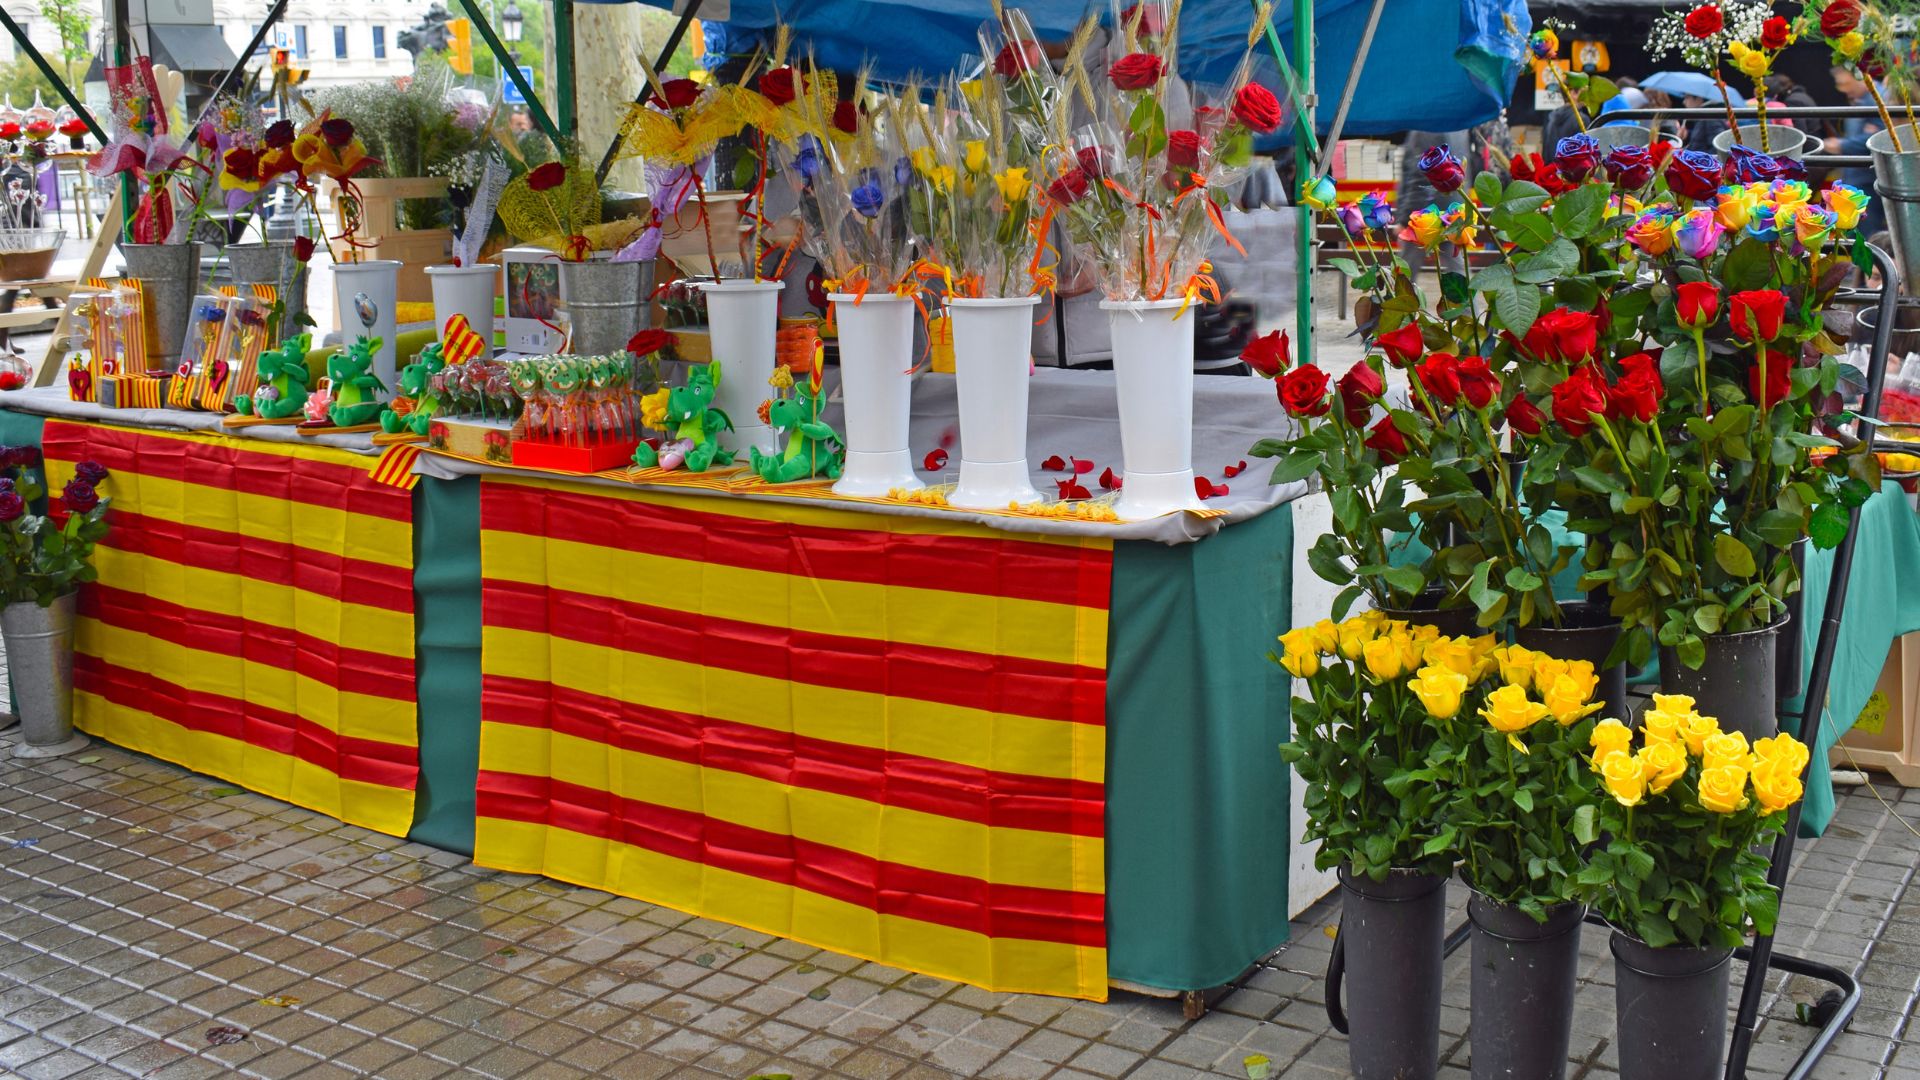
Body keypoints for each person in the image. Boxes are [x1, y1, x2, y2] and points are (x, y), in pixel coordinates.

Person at [1825, 66, 1887, 237]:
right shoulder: (1863, 99)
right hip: (1857, 177)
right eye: (1839, 85)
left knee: (1866, 234)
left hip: (1866, 178)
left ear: (1861, 77)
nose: (1843, 89)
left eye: (1845, 83)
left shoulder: (1876, 98)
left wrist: (1844, 145)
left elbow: (1880, 136)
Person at [1397, 130, 1469, 274]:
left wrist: (1405, 219)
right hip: (1454, 210)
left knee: (1406, 273)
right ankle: (1466, 296)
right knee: (1457, 268)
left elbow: (1418, 177)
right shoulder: (1461, 127)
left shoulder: (1424, 129)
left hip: (1425, 214)